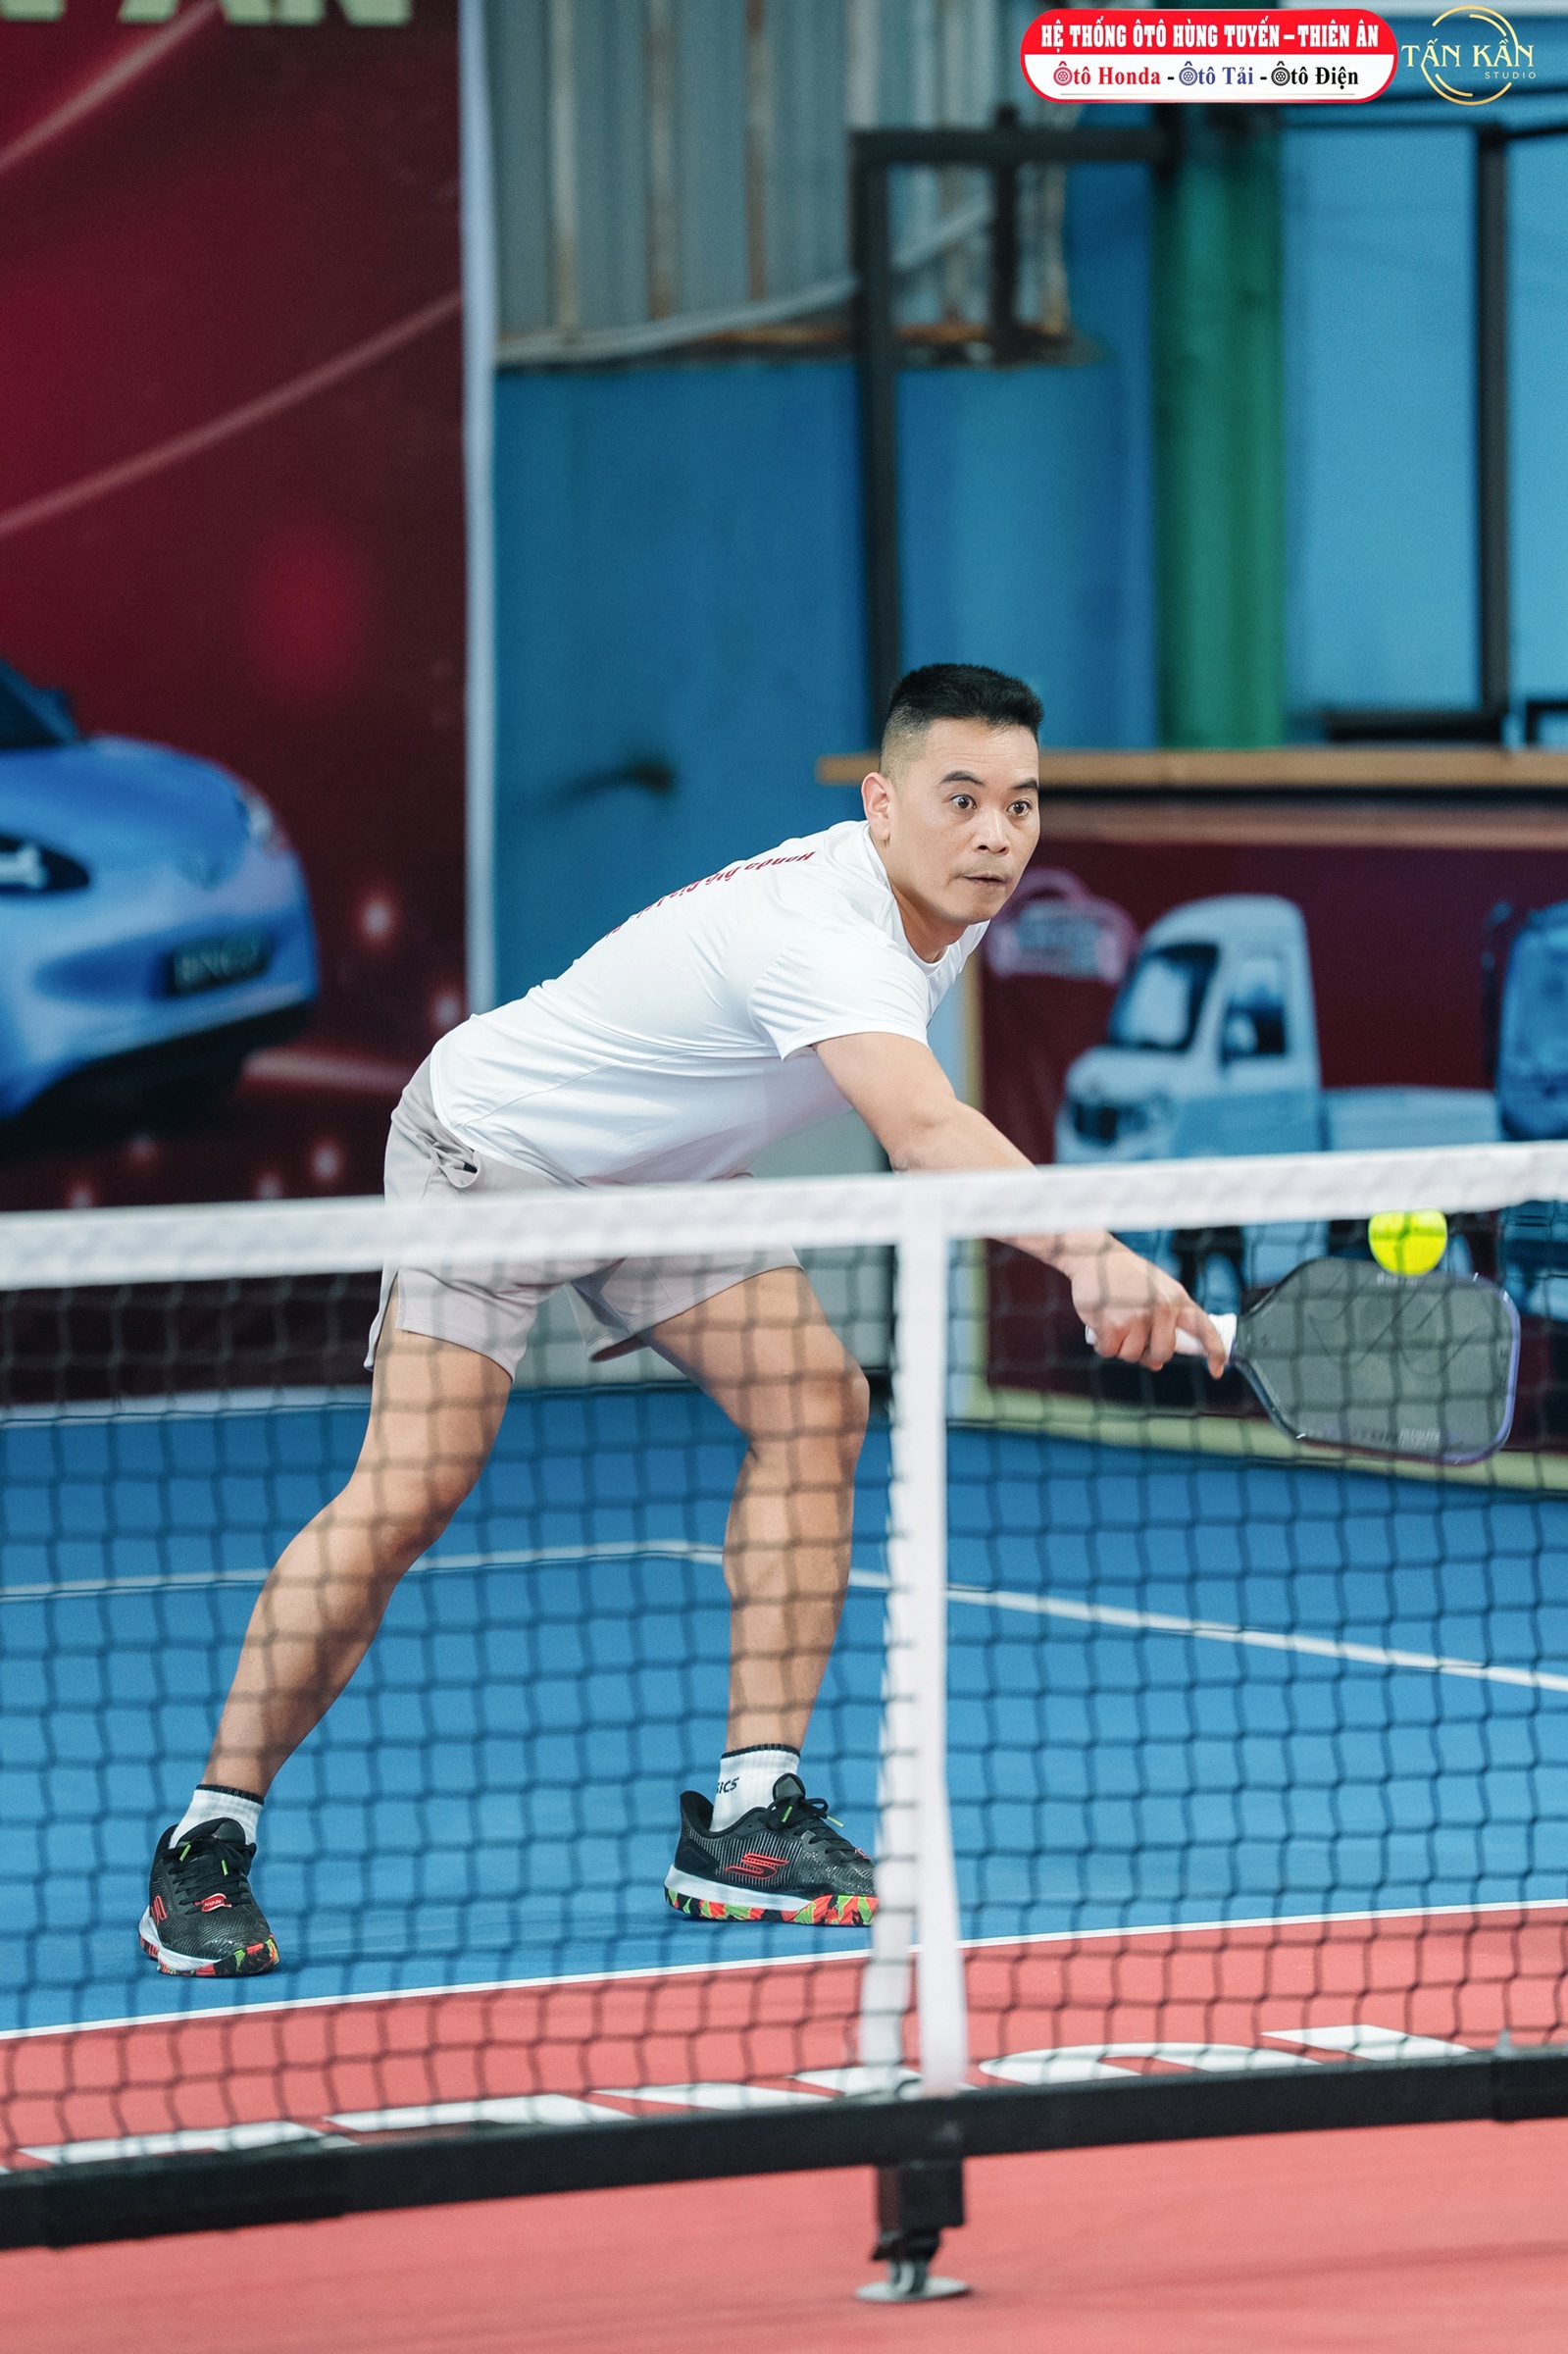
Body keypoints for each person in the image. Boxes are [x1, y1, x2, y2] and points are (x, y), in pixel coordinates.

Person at [139, 662, 1222, 1975]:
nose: (996, 835)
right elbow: (925, 1129)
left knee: (816, 1403)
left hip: (667, 1186)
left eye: (1021, 803)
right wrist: (1094, 1257)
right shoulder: (827, 928)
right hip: (495, 1155)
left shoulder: (951, 905)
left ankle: (751, 1820)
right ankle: (208, 1837)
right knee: (413, 1486)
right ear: (881, 805)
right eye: (961, 800)